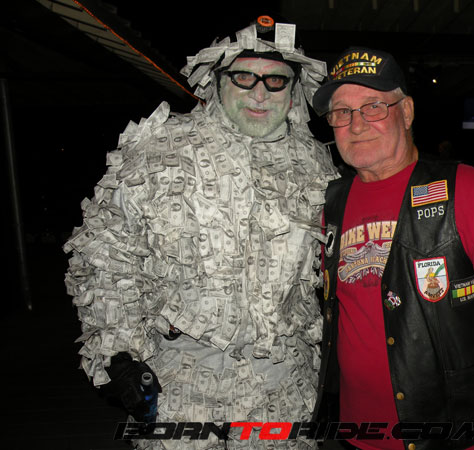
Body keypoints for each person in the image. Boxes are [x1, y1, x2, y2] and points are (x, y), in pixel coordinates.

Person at [63, 15, 337, 449]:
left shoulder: (315, 163)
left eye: (275, 81)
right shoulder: (159, 150)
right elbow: (107, 253)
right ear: (217, 81)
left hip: (280, 381)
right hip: (180, 377)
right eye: (244, 77)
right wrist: (119, 353)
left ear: (294, 90)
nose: (260, 93)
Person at [311, 47, 474, 450]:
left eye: (373, 106)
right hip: (359, 437)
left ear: (406, 112)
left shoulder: (468, 190)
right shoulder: (329, 203)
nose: (356, 124)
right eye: (342, 112)